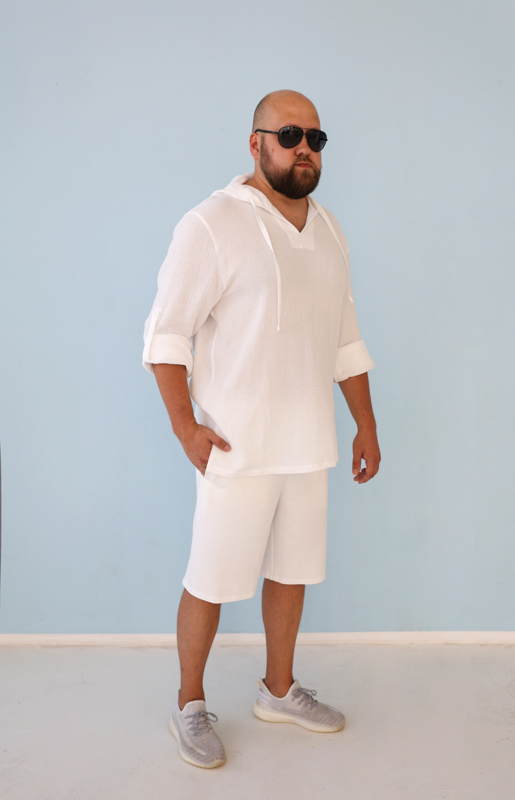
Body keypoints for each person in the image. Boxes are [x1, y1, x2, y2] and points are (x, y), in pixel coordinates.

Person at [142, 89, 381, 769]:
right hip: (235, 444)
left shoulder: (329, 230)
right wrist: (185, 428)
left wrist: (365, 425)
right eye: (289, 135)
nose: (305, 148)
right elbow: (166, 336)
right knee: (211, 578)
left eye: (316, 139)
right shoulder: (212, 223)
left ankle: (278, 690)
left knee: (292, 570)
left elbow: (344, 340)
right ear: (256, 144)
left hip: (309, 442)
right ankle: (189, 704)